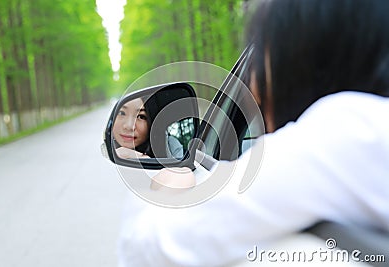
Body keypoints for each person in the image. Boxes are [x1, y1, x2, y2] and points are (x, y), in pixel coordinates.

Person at [117, 0, 389, 266]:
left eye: (262, 60)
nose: (254, 90)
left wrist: (166, 185)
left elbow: (148, 247)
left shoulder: (348, 131)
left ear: (304, 61)